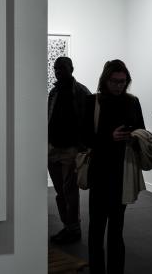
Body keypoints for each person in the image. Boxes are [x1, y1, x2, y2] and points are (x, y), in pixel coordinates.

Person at [82, 60, 146, 274]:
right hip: (99, 171)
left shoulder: (132, 102)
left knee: (117, 229)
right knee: (96, 229)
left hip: (123, 172)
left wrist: (134, 138)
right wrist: (109, 137)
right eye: (115, 81)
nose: (119, 85)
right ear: (105, 80)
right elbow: (81, 138)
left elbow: (142, 131)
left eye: (123, 81)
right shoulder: (92, 102)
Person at [48, 56, 91, 244]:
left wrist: (83, 146)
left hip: (71, 149)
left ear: (71, 68)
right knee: (60, 191)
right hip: (53, 148)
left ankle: (73, 228)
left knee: (69, 191)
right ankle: (68, 226)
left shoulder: (81, 92)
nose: (58, 71)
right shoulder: (54, 92)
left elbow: (89, 121)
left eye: (62, 68)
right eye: (56, 68)